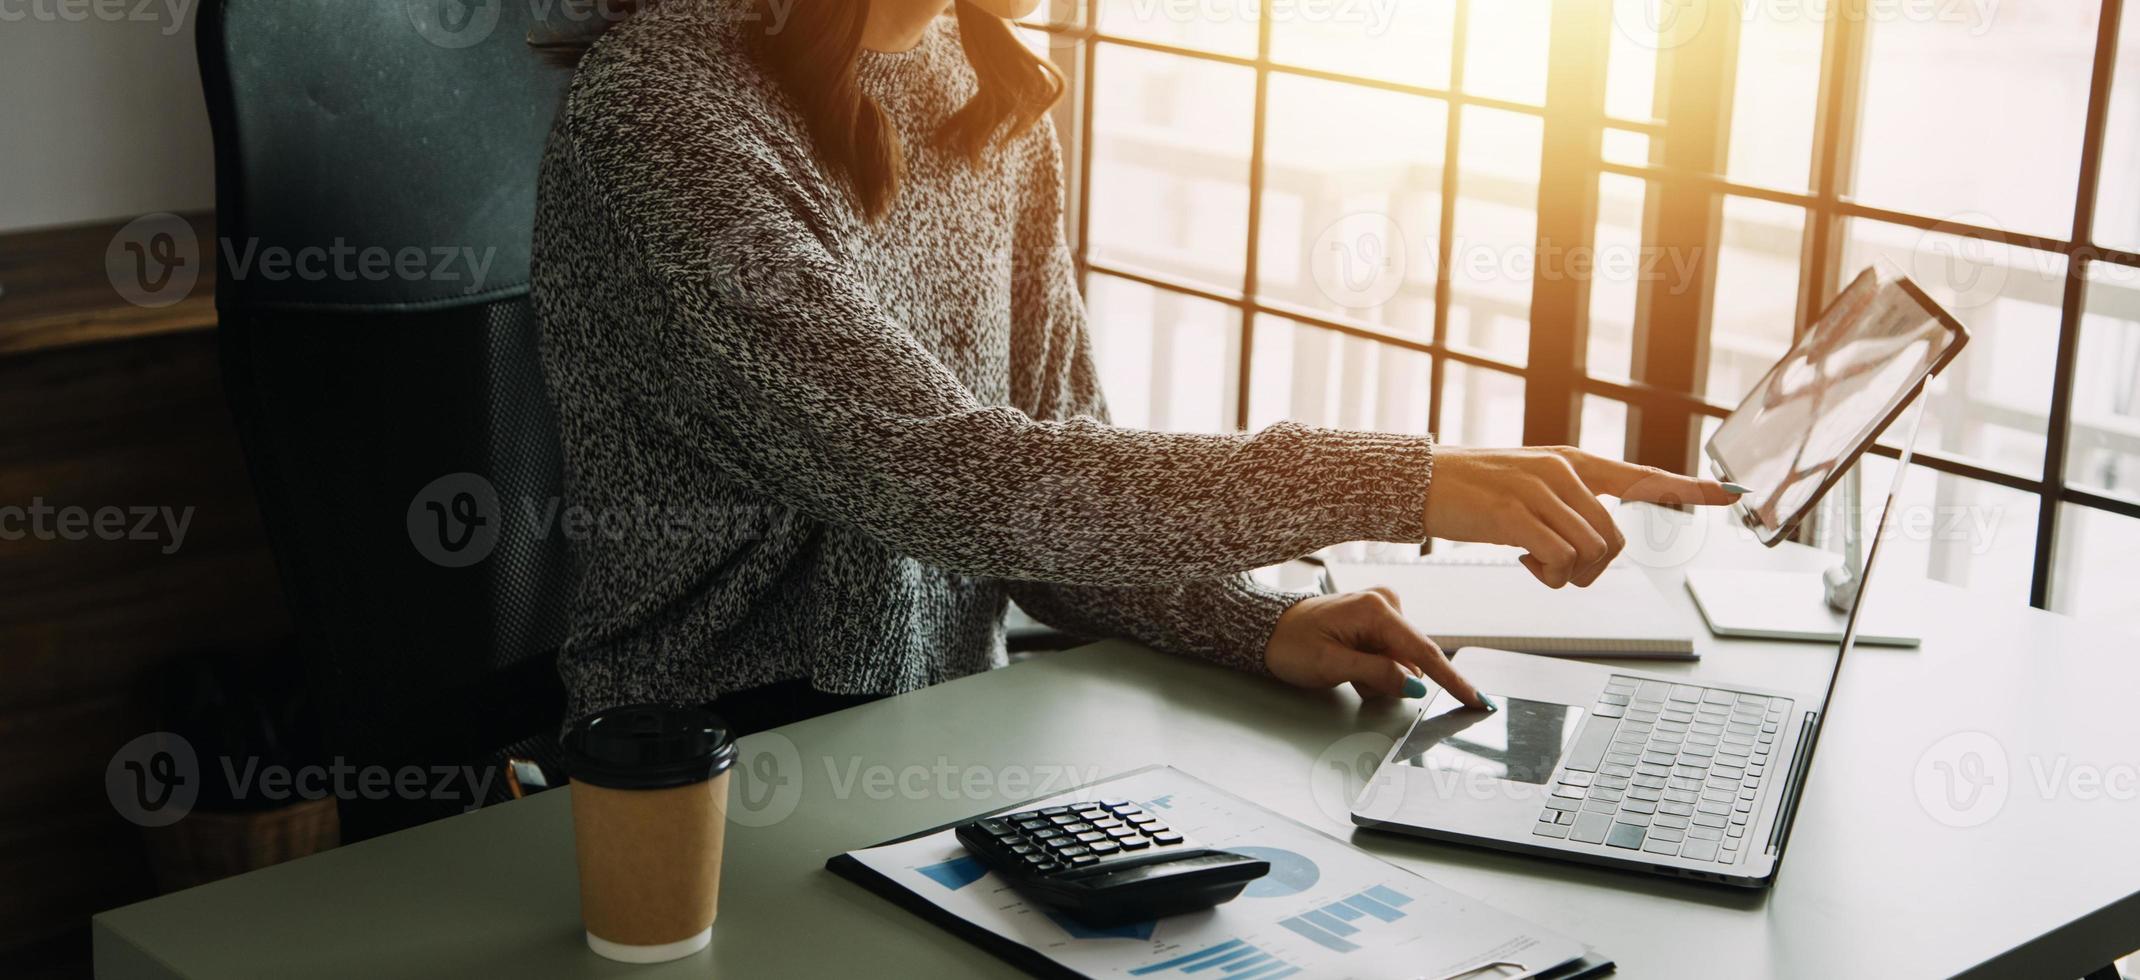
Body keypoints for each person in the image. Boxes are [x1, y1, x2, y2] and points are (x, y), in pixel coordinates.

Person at [529, 0, 1742, 732]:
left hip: (959, 728)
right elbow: (955, 480)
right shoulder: (664, 116)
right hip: (716, 756)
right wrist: (1404, 480)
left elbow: (1056, 500)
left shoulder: (990, 90)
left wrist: (1254, 623)